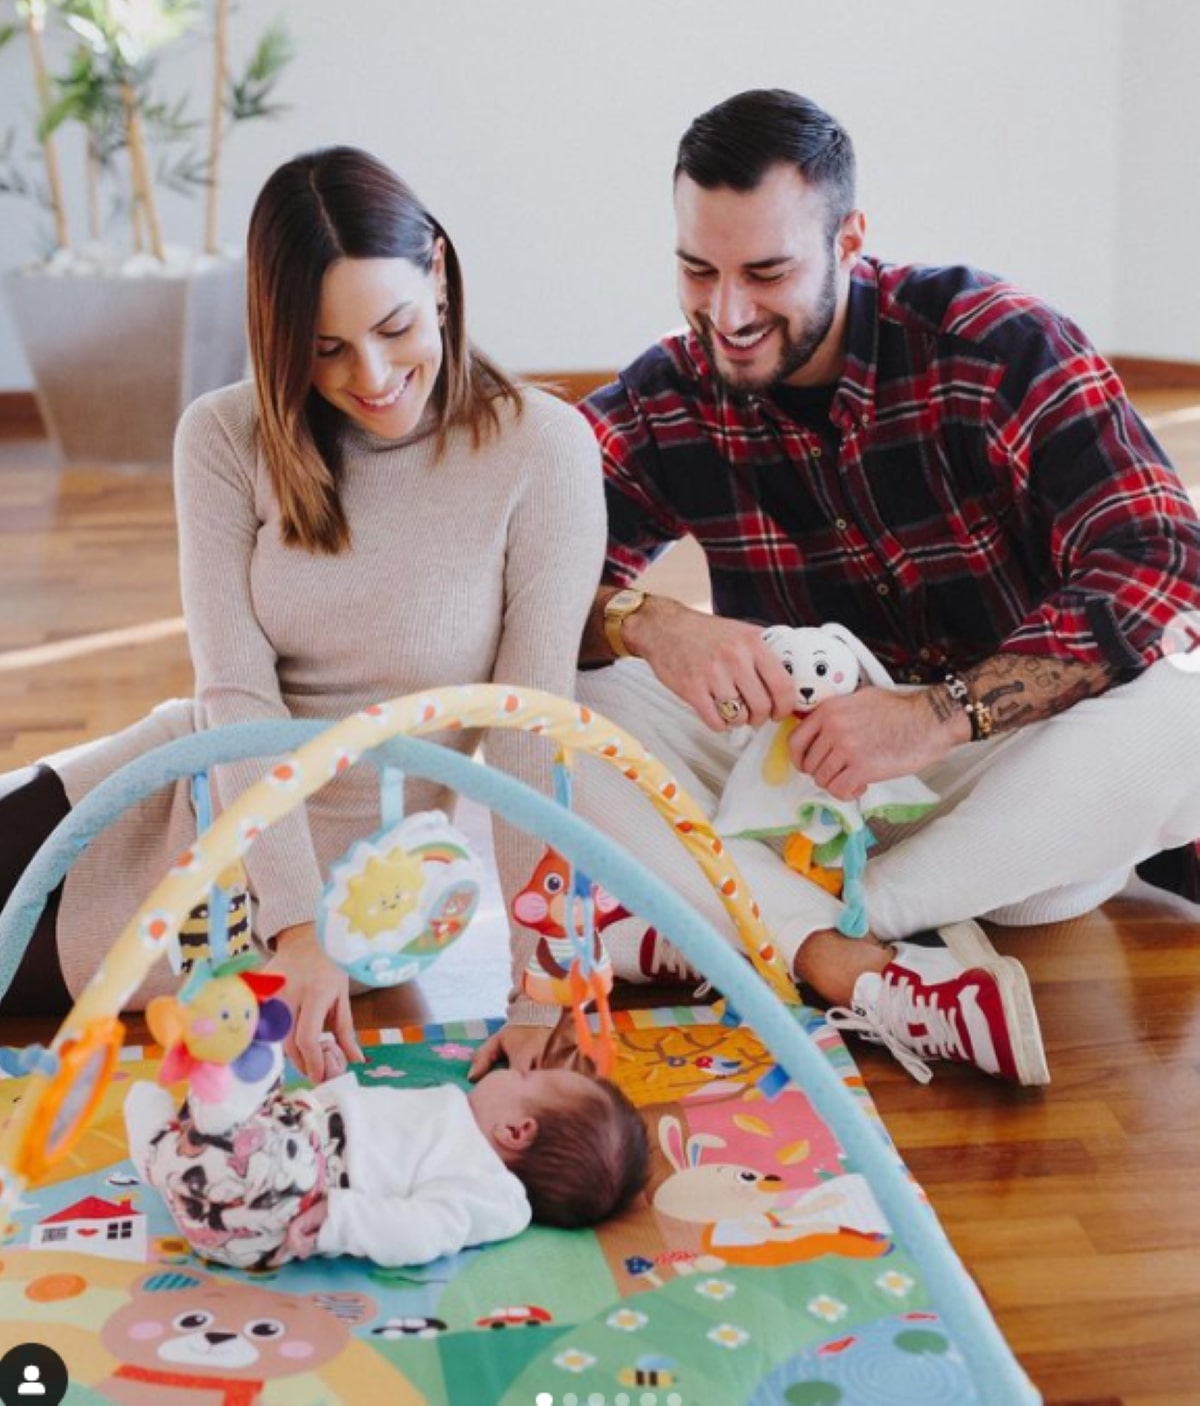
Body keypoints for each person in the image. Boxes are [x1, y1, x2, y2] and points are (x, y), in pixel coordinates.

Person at [570, 89, 1200, 1086]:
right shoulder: (669, 394)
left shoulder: (994, 342)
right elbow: (522, 582)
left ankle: (799, 928)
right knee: (565, 708)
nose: (726, 314)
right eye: (698, 269)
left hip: (1009, 793)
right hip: (800, 799)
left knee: (1189, 694)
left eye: (766, 273)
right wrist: (647, 620)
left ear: (850, 239)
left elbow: (1159, 557)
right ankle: (848, 959)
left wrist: (939, 715)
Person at [0, 147, 606, 1080]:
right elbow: (232, 695)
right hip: (186, 782)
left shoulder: (544, 448)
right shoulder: (222, 435)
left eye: (394, 326)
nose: (371, 376)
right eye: (324, 349)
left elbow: (530, 734)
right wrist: (297, 927)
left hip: (341, 891)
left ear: (437, 274)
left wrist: (538, 988)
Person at [126, 1055, 650, 1271]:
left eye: (526, 1080)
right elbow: (367, 1120)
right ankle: (163, 1149)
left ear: (516, 1131)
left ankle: (198, 1126)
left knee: (269, 1149)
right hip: (255, 1164)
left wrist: (339, 1218)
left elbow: (426, 1229)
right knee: (261, 1105)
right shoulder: (450, 1110)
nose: (518, 1071)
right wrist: (332, 1085)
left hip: (280, 1204)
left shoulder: (494, 1193)